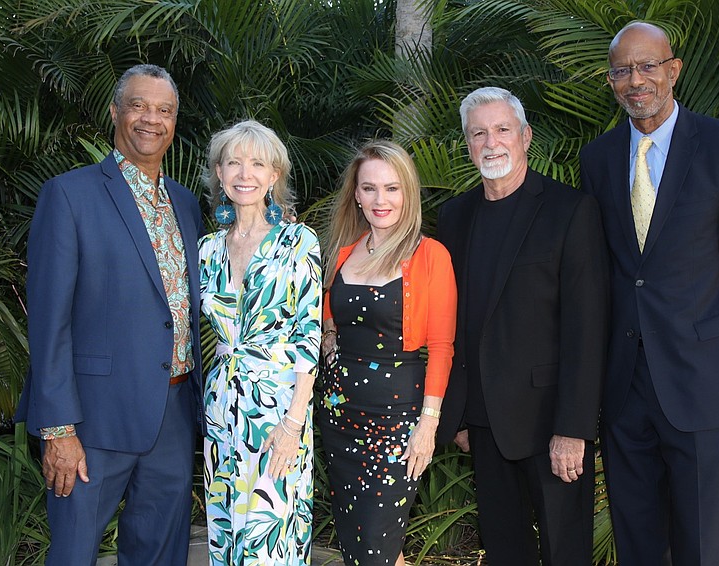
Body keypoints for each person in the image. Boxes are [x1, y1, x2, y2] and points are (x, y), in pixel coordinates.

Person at [579, 21, 719, 565]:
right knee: (637, 539)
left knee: (701, 542)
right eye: (623, 71)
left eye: (648, 66)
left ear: (674, 70)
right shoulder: (597, 159)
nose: (635, 80)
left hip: (702, 377)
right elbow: (601, 270)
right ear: (610, 81)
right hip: (624, 384)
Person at [15, 64, 204, 565]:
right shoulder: (69, 195)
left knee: (160, 554)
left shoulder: (186, 204)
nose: (151, 119)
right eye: (139, 105)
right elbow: (49, 321)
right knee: (74, 553)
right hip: (91, 421)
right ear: (116, 111)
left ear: (174, 122)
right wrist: (58, 428)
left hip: (173, 413)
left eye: (164, 110)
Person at [435, 87, 610, 565]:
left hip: (551, 425)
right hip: (484, 424)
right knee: (505, 552)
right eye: (479, 134)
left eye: (502, 129)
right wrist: (460, 414)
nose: (491, 143)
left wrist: (573, 428)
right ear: (468, 145)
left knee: (565, 554)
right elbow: (454, 322)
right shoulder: (454, 217)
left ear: (526, 136)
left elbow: (587, 329)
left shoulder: (569, 210)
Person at [319, 140, 457, 566]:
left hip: (396, 421)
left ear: (408, 193)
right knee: (359, 545)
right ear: (356, 195)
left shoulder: (430, 255)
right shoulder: (343, 252)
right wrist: (329, 335)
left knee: (376, 547)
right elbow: (329, 316)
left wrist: (428, 424)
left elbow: (442, 347)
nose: (381, 199)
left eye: (392, 188)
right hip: (340, 417)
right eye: (370, 188)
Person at [199, 119, 322, 565]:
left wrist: (294, 423)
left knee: (270, 532)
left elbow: (309, 334)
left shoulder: (297, 241)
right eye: (234, 163)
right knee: (226, 528)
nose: (244, 174)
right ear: (219, 173)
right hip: (221, 408)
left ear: (274, 176)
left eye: (257, 164)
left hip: (277, 409)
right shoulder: (207, 249)